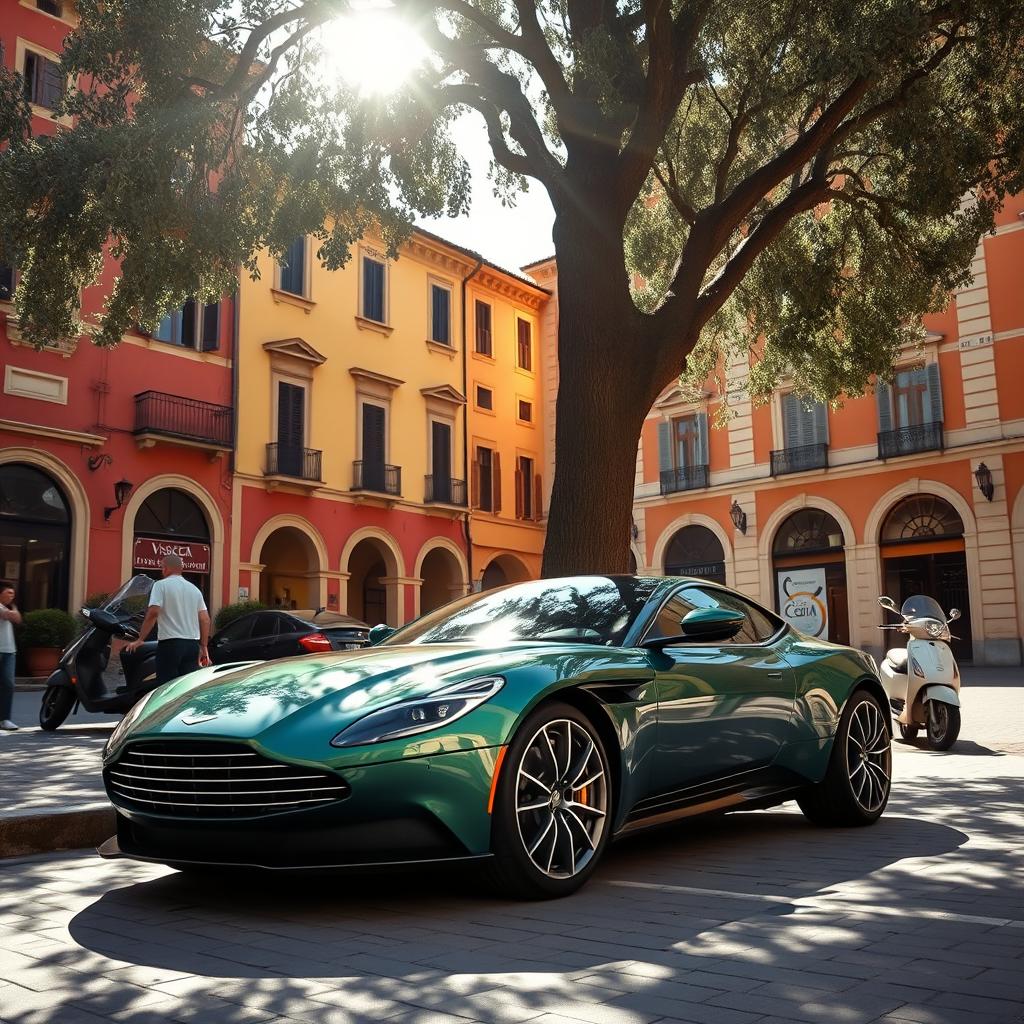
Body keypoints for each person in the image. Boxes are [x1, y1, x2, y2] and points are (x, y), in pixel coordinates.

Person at [125, 555, 211, 685]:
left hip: (171, 644)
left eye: (162, 567)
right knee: (186, 686)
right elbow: (205, 619)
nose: (162, 570)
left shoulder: (160, 585)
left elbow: (153, 612)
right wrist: (204, 647)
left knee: (166, 687)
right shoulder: (195, 590)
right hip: (192, 646)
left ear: (167, 568)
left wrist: (140, 639)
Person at [0, 581, 22, 731]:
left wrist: (12, 609)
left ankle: (5, 719)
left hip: (9, 651)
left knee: (8, 685)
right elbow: (9, 616)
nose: (12, 595)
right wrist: (13, 609)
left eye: (13, 593)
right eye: (9, 592)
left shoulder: (8, 607)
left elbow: (18, 619)